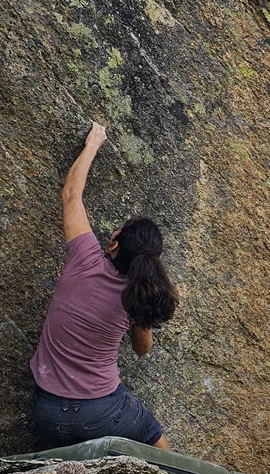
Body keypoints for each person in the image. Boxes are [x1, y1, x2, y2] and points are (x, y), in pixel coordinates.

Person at [29, 121, 178, 450]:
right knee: (157, 442)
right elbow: (143, 349)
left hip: (48, 414)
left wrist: (93, 144)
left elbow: (71, 195)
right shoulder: (136, 299)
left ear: (113, 246)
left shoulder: (84, 258)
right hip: (104, 412)